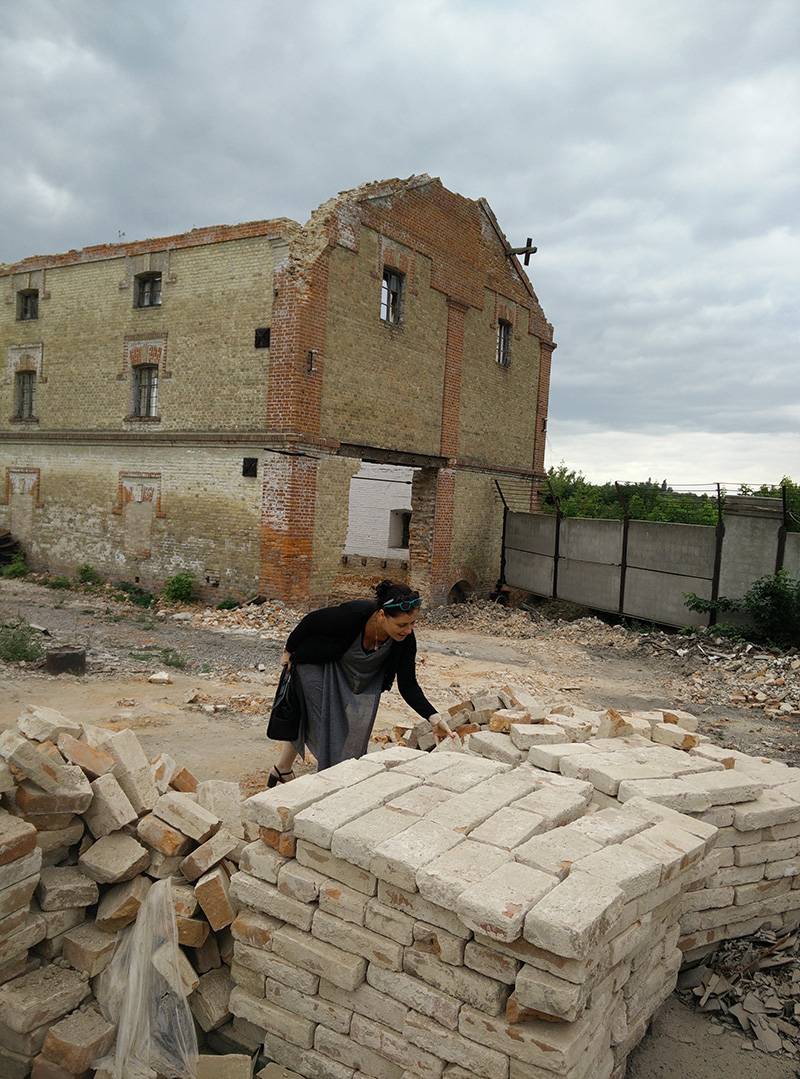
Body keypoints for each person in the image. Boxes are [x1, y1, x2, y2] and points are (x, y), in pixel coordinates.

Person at [267, 580, 455, 785]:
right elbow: (311, 621)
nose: (408, 630)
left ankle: (282, 769)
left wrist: (433, 716)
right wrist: (288, 651)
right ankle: (337, 779)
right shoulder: (353, 615)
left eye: (412, 624)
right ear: (382, 615)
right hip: (317, 665)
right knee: (331, 721)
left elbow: (408, 684)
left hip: (353, 676)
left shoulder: (405, 639)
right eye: (402, 624)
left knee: (327, 718)